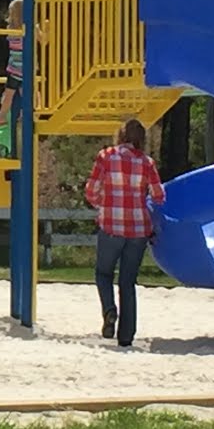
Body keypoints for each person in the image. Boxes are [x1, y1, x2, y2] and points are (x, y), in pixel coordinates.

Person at [83, 118, 165, 348]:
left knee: (103, 273)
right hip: (138, 229)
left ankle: (109, 310)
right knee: (128, 282)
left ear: (121, 135)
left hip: (111, 225)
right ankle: (126, 336)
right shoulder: (147, 163)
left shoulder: (106, 156)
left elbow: (91, 190)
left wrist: (102, 204)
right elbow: (159, 196)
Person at [0, 0, 24, 131]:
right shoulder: (31, 28)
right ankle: (27, 113)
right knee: (27, 93)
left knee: (8, 94)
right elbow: (43, 41)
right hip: (25, 69)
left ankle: (2, 115)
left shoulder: (11, 29)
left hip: (13, 68)